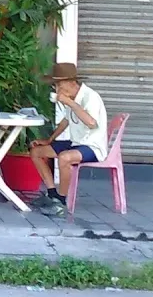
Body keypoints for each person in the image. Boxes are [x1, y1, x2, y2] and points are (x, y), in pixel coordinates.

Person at [29, 62, 108, 217]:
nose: (57, 90)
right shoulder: (71, 97)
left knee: (64, 158)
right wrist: (50, 139)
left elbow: (91, 123)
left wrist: (70, 103)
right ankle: (52, 194)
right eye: (55, 86)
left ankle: (62, 201)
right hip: (76, 143)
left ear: (72, 83)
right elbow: (65, 121)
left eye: (59, 85)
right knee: (36, 152)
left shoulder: (90, 97)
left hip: (92, 146)